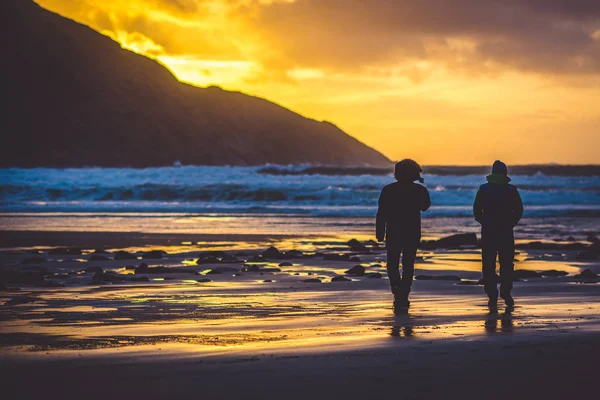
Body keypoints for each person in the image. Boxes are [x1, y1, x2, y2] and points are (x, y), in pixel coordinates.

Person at [376, 159, 431, 309]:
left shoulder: (388, 189)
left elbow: (382, 212)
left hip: (393, 231)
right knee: (408, 264)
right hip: (412, 231)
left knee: (392, 264)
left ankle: (396, 289)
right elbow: (425, 206)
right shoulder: (419, 190)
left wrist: (379, 231)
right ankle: (404, 293)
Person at [473, 160, 523, 309]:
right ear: (505, 173)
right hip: (506, 232)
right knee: (507, 264)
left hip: (488, 232)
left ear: (492, 172)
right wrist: (511, 223)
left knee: (488, 265)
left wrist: (484, 222)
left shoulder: (483, 189)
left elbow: (477, 211)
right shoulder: (511, 190)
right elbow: (519, 210)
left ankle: (492, 295)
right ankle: (506, 293)